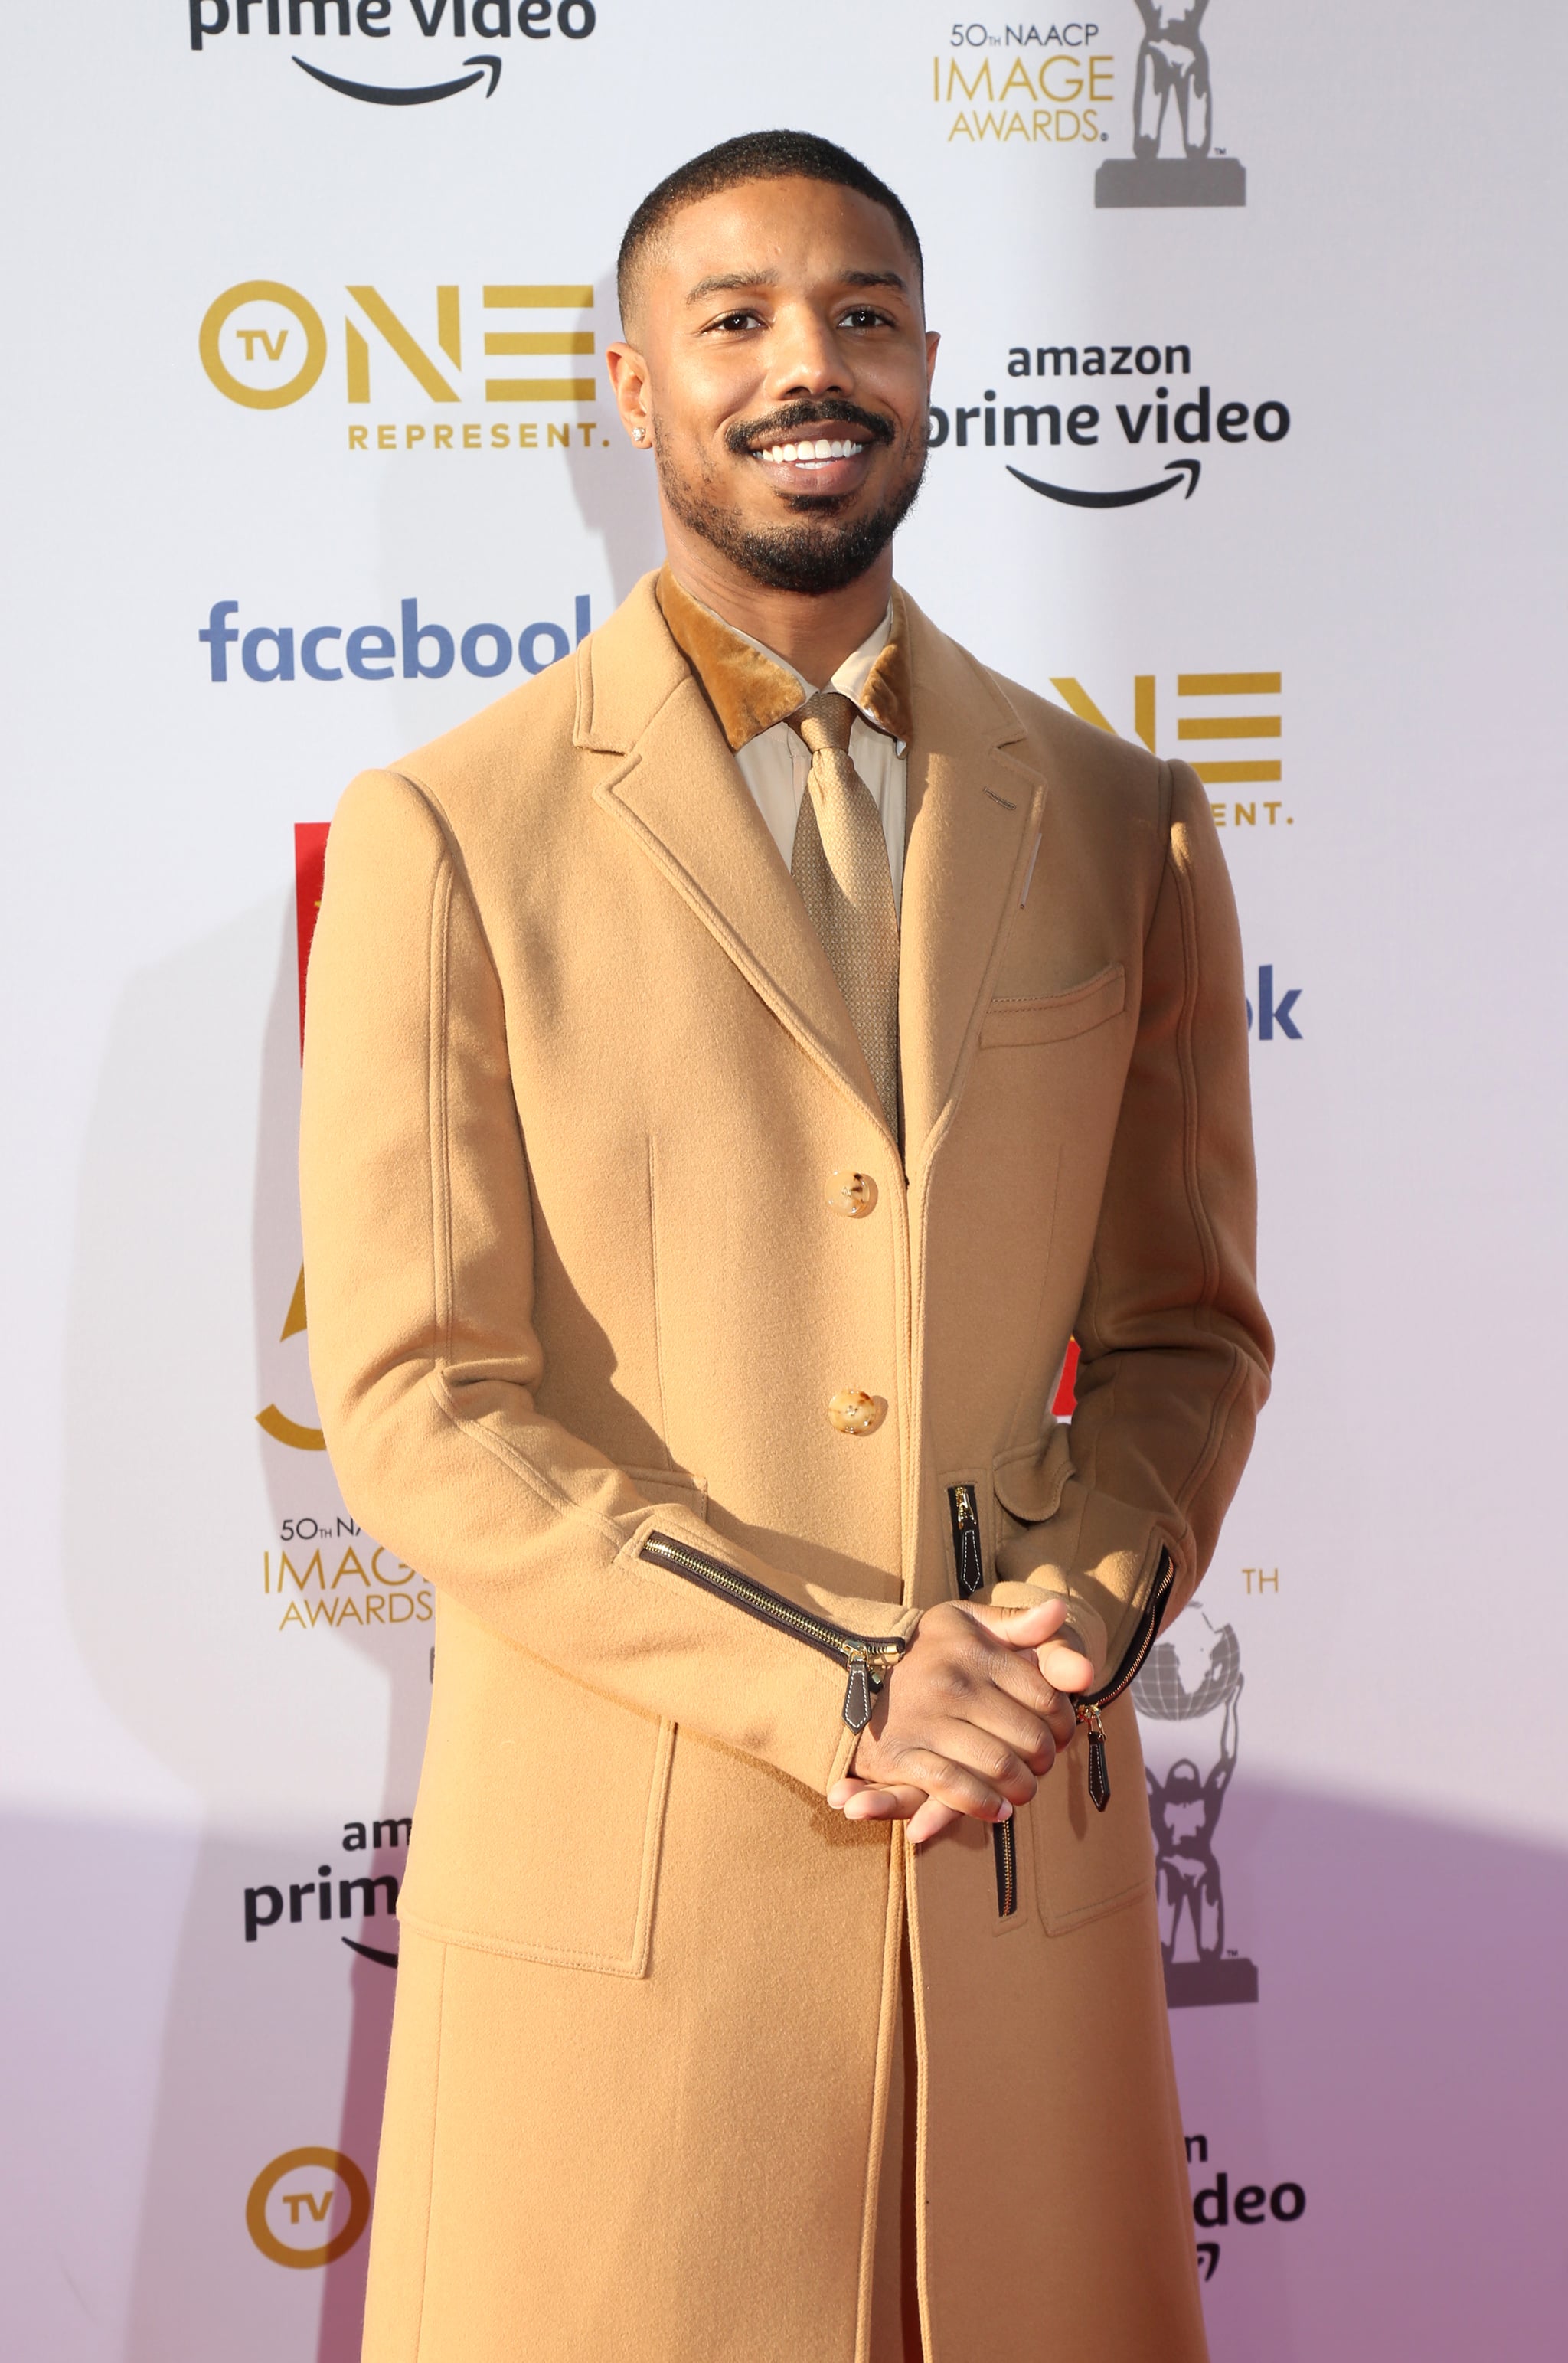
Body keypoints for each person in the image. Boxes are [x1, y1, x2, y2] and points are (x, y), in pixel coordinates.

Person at [299, 127, 1272, 2363]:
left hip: (1025, 1912)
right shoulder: (452, 829)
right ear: (629, 386)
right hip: (637, 1945)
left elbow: (1184, 1338)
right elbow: (424, 1406)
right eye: (730, 319)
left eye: (857, 313)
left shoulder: (1126, 817)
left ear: (930, 367)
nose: (800, 364)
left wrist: (1062, 1630)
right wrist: (838, 1682)